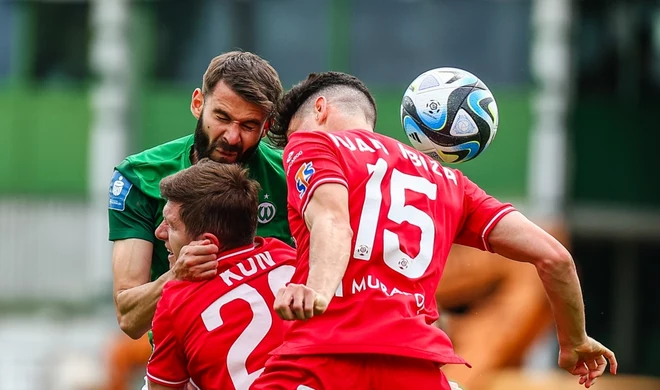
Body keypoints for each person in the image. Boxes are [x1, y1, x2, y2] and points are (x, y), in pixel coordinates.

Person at [251, 72, 617, 390]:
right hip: (415, 368)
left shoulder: (314, 143)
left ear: (320, 109)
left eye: (293, 134)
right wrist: (574, 340)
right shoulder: (452, 182)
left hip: (324, 357)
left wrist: (316, 292)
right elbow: (555, 257)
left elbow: (333, 221)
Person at [105, 51, 291, 390]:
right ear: (197, 103)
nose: (232, 137)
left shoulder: (291, 179)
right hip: (182, 369)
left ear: (267, 128)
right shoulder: (140, 178)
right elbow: (129, 318)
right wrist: (176, 276)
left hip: (281, 372)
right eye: (222, 116)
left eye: (249, 126)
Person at [145, 159, 296, 390]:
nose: (159, 232)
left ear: (206, 244)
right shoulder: (289, 256)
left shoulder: (176, 300)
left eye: (172, 225)